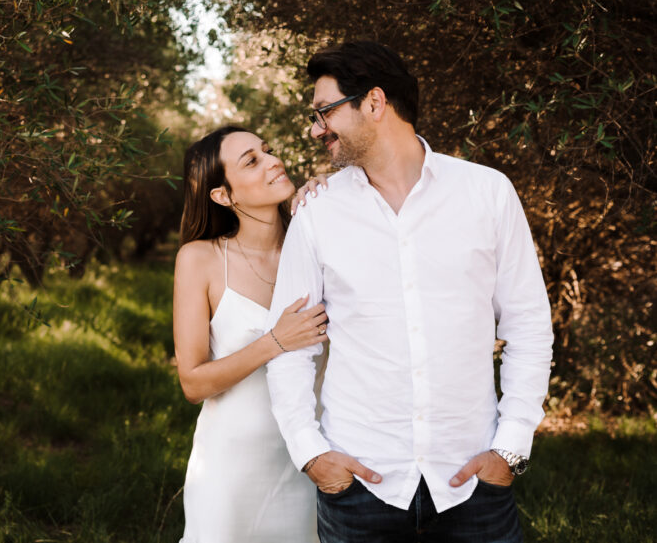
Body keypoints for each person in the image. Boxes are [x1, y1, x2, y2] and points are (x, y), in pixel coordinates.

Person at [265, 41, 554, 542]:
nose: (315, 130)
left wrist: (510, 449)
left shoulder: (487, 193)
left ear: (374, 103)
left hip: (472, 483)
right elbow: (292, 347)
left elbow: (528, 326)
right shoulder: (318, 211)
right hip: (358, 485)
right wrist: (310, 453)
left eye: (324, 112)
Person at [173, 125, 328, 542]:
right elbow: (192, 382)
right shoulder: (200, 259)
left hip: (313, 457)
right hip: (230, 470)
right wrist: (274, 342)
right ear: (224, 196)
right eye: (252, 161)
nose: (273, 160)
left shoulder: (318, 241)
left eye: (268, 150)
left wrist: (332, 201)